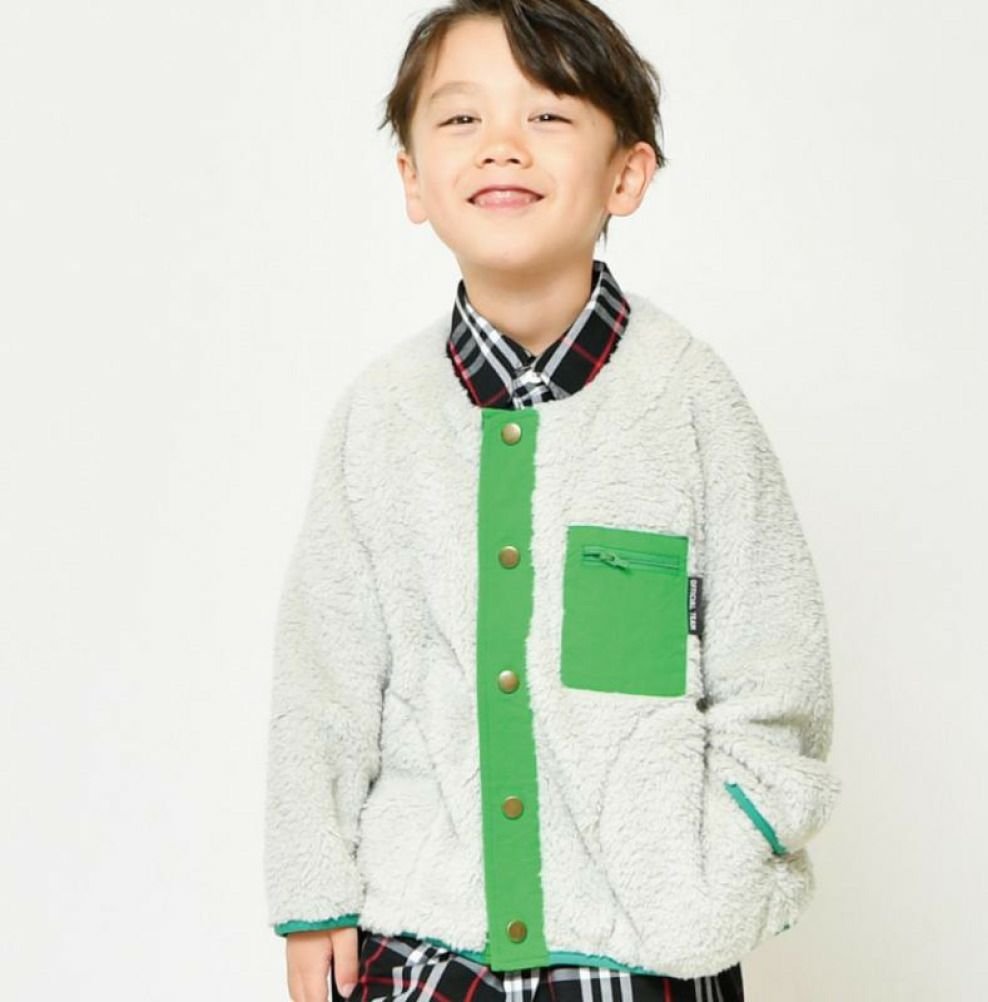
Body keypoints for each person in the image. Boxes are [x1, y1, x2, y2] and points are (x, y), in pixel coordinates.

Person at [263, 3, 841, 1001]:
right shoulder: (378, 419)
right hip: (422, 950)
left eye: (548, 115)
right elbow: (325, 683)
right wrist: (314, 893)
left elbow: (778, 673)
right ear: (412, 179)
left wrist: (719, 868)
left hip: (642, 952)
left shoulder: (690, 403)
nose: (502, 145)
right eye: (461, 118)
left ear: (627, 174)